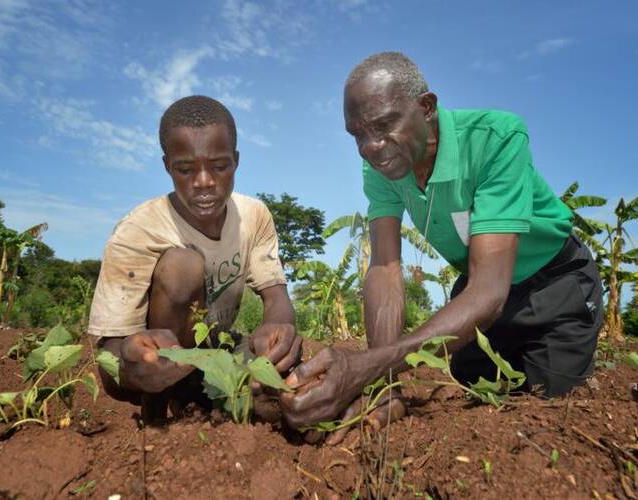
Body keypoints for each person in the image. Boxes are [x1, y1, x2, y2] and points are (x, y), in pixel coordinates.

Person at [281, 52, 603, 433]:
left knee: (543, 409)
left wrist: (369, 367)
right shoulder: (382, 166)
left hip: (554, 287)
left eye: (385, 125)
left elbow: (489, 290)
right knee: (473, 386)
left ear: (426, 107)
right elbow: (384, 267)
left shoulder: (496, 139)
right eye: (358, 134)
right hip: (481, 290)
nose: (371, 146)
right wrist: (386, 386)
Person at [89, 95, 301, 422]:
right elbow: (110, 361)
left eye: (219, 166)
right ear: (167, 166)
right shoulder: (137, 232)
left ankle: (209, 400)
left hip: (219, 356)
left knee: (291, 389)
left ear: (236, 161)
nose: (204, 182)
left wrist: (276, 328)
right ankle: (160, 405)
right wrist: (136, 371)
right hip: (166, 368)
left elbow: (277, 298)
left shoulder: (254, 216)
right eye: (185, 169)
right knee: (183, 267)